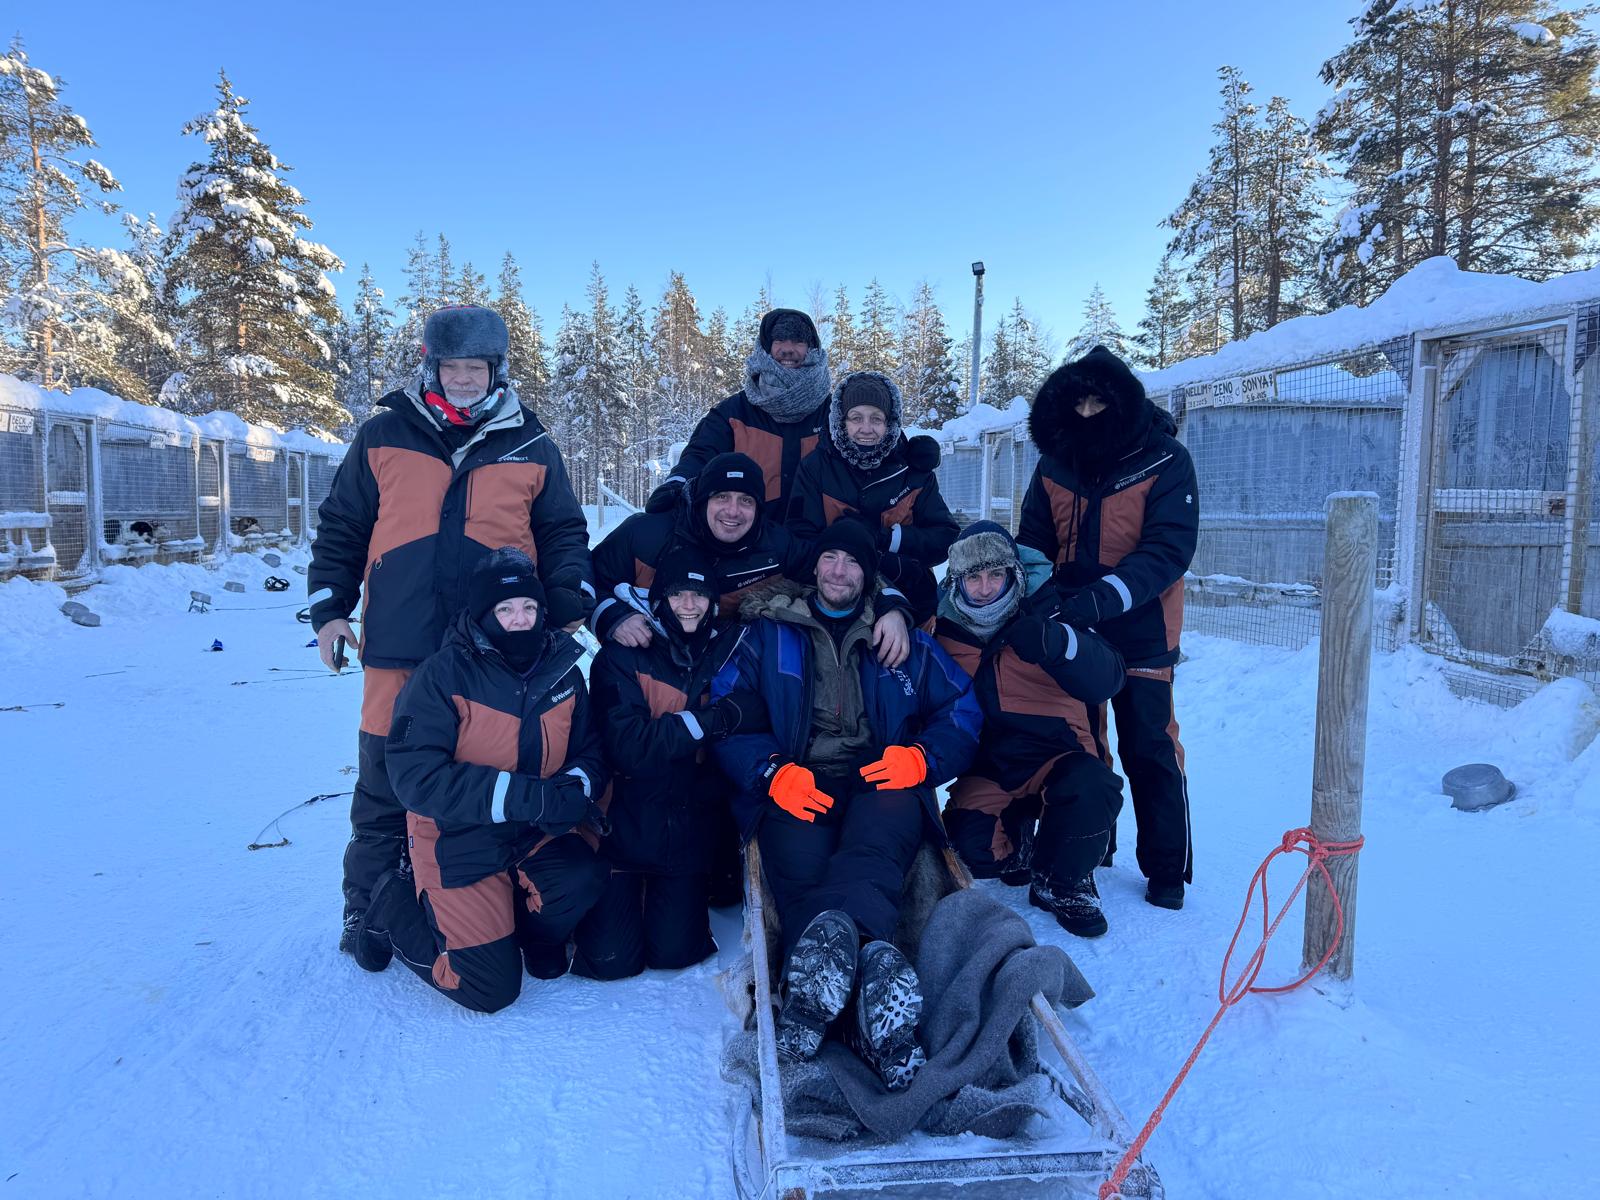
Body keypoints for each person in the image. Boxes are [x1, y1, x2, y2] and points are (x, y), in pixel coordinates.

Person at [307, 304, 595, 966]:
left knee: (488, 773)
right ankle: (370, 905)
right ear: (431, 367)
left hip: (496, 652)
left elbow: (562, 531)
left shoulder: (530, 443)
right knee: (386, 778)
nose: (463, 379)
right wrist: (329, 610)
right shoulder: (384, 434)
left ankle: (485, 902)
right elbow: (343, 525)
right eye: (451, 367)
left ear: (496, 371)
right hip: (399, 645)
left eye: (475, 368)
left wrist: (568, 596)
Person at [711, 520, 980, 1090]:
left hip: (880, 777)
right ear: (815, 566)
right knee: (800, 876)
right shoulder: (769, 634)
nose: (839, 571)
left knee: (874, 857)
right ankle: (872, 984)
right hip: (799, 779)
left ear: (868, 574)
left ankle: (815, 999)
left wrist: (922, 759)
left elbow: (961, 706)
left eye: (852, 561)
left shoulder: (899, 640)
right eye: (830, 558)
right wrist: (771, 771)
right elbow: (728, 714)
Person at [354, 548, 609, 1012]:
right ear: (482, 613)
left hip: (533, 831)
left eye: (529, 607)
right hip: (457, 837)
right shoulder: (441, 676)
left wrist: (574, 787)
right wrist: (529, 797)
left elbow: (590, 749)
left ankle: (532, 939)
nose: (520, 620)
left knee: (581, 876)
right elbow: (415, 777)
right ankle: (393, 905)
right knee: (487, 989)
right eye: (505, 609)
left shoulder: (564, 672)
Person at [1017, 345, 1198, 911]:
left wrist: (1103, 597)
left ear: (1122, 402)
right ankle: (1095, 845)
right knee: (1083, 741)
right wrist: (1042, 597)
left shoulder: (1166, 459)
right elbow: (1033, 538)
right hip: (1075, 622)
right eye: (1078, 403)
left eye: (1099, 402)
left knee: (1149, 745)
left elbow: (1168, 549)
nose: (1088, 412)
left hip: (1144, 625)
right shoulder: (1055, 462)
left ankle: (1166, 868)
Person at [574, 547, 768, 979]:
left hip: (686, 831)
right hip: (621, 830)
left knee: (675, 953)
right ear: (660, 599)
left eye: (699, 595)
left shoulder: (729, 652)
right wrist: (711, 721)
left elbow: (753, 713)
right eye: (678, 594)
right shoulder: (621, 656)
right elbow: (629, 746)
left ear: (713, 603)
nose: (689, 604)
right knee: (610, 961)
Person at [934, 522, 1126, 936]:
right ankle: (1018, 838)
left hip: (1059, 755)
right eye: (973, 578)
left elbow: (1109, 676)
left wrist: (1059, 644)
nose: (985, 588)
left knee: (1091, 790)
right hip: (992, 765)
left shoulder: (1051, 609)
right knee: (972, 851)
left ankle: (1064, 883)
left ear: (1014, 574)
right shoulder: (943, 631)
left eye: (996, 574)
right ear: (957, 582)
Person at [592, 451, 914, 667]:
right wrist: (610, 616)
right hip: (648, 669)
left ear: (759, 507)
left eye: (746, 500)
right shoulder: (646, 534)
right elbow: (588, 578)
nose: (733, 511)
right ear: (703, 500)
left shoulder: (776, 545)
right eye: (722, 497)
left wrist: (891, 607)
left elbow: (837, 572)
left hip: (730, 673)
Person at [788, 371, 958, 622]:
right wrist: (848, 547)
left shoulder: (913, 471)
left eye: (876, 419)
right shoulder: (816, 467)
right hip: (834, 598)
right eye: (856, 418)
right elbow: (799, 535)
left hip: (910, 599)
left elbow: (945, 538)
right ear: (842, 421)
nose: (866, 429)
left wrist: (887, 540)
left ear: (890, 422)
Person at [646, 309, 830, 515]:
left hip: (820, 533)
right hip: (749, 530)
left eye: (798, 341)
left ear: (812, 349)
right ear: (766, 348)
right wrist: (677, 483)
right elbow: (701, 454)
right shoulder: (733, 413)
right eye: (779, 340)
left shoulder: (834, 415)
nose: (788, 349)